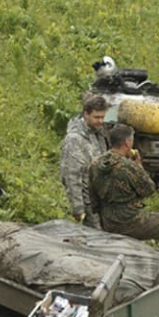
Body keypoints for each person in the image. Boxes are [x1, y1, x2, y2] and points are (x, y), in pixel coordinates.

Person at [88, 123, 159, 259]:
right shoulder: (129, 167)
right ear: (127, 143)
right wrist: (139, 167)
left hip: (106, 221)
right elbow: (149, 190)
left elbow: (93, 199)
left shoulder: (95, 164)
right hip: (128, 222)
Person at [60, 92, 109, 226]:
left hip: (101, 201)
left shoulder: (99, 133)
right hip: (88, 204)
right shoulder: (74, 139)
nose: (100, 121)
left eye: (103, 117)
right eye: (97, 117)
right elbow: (71, 175)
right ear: (86, 114)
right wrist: (78, 208)